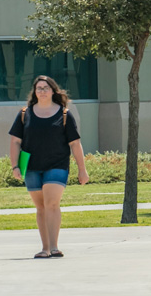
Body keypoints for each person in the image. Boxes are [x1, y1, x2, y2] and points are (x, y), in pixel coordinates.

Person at [8, 75, 90, 259]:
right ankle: (44, 248)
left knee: (52, 203)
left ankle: (54, 246)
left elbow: (75, 144)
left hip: (57, 164)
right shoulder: (24, 114)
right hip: (32, 167)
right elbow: (15, 142)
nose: (42, 91)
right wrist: (15, 166)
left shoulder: (64, 114)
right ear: (34, 92)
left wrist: (82, 169)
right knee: (41, 207)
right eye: (39, 88)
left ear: (53, 91)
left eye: (46, 88)